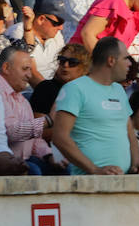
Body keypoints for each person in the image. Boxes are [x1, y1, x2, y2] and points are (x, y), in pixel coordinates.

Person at [51, 37, 133, 174]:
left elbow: (129, 131)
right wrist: (94, 169)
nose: (130, 64)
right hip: (87, 184)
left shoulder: (119, 90)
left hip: (121, 181)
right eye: (126, 58)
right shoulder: (74, 88)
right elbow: (60, 137)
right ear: (111, 60)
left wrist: (137, 164)